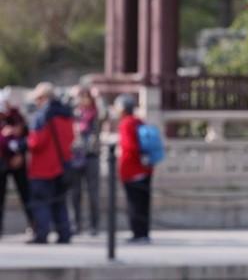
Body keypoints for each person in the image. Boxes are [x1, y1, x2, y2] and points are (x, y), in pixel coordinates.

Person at [24, 82, 74, 244]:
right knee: (60, 202)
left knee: (41, 202)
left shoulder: (41, 116)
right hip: (62, 165)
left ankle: (41, 234)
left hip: (43, 167)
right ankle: (64, 233)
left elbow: (36, 143)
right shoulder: (66, 115)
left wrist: (21, 143)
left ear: (43, 98)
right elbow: (71, 138)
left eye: (38, 98)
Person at [112, 94, 153, 244]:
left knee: (134, 203)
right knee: (143, 203)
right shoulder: (139, 122)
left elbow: (130, 147)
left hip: (133, 170)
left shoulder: (126, 124)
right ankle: (144, 233)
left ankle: (138, 233)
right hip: (145, 168)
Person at [69, 86, 105, 236]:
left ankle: (94, 225)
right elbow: (65, 108)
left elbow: (106, 113)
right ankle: (76, 224)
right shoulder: (75, 114)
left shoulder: (96, 115)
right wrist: (72, 95)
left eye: (86, 96)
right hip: (76, 155)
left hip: (92, 155)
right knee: (75, 193)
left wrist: (99, 97)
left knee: (93, 193)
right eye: (81, 96)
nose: (84, 99)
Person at [0, 93, 34, 238]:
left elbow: (29, 137)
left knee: (25, 193)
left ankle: (33, 225)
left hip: (17, 161)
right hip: (2, 161)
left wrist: (21, 154)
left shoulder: (17, 117)